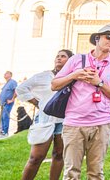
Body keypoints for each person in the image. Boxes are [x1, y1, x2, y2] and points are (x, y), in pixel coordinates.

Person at [51, 24, 110, 179]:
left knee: (96, 173)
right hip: (74, 123)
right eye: (109, 37)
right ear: (97, 38)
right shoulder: (77, 59)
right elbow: (54, 85)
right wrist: (75, 75)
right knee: (72, 172)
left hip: (102, 123)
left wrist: (99, 83)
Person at [17, 49, 73, 180]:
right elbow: (21, 89)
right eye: (57, 56)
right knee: (36, 157)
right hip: (44, 119)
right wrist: (37, 103)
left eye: (63, 56)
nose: (59, 58)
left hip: (64, 120)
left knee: (59, 154)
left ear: (70, 60)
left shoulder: (72, 77)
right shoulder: (43, 76)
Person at [0, 70, 17, 137]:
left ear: (10, 75)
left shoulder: (12, 82)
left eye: (6, 73)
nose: (4, 74)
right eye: (4, 73)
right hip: (3, 104)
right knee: (2, 117)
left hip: (8, 103)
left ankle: (5, 132)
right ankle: (2, 131)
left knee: (5, 116)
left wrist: (12, 99)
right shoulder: (7, 83)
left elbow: (16, 90)